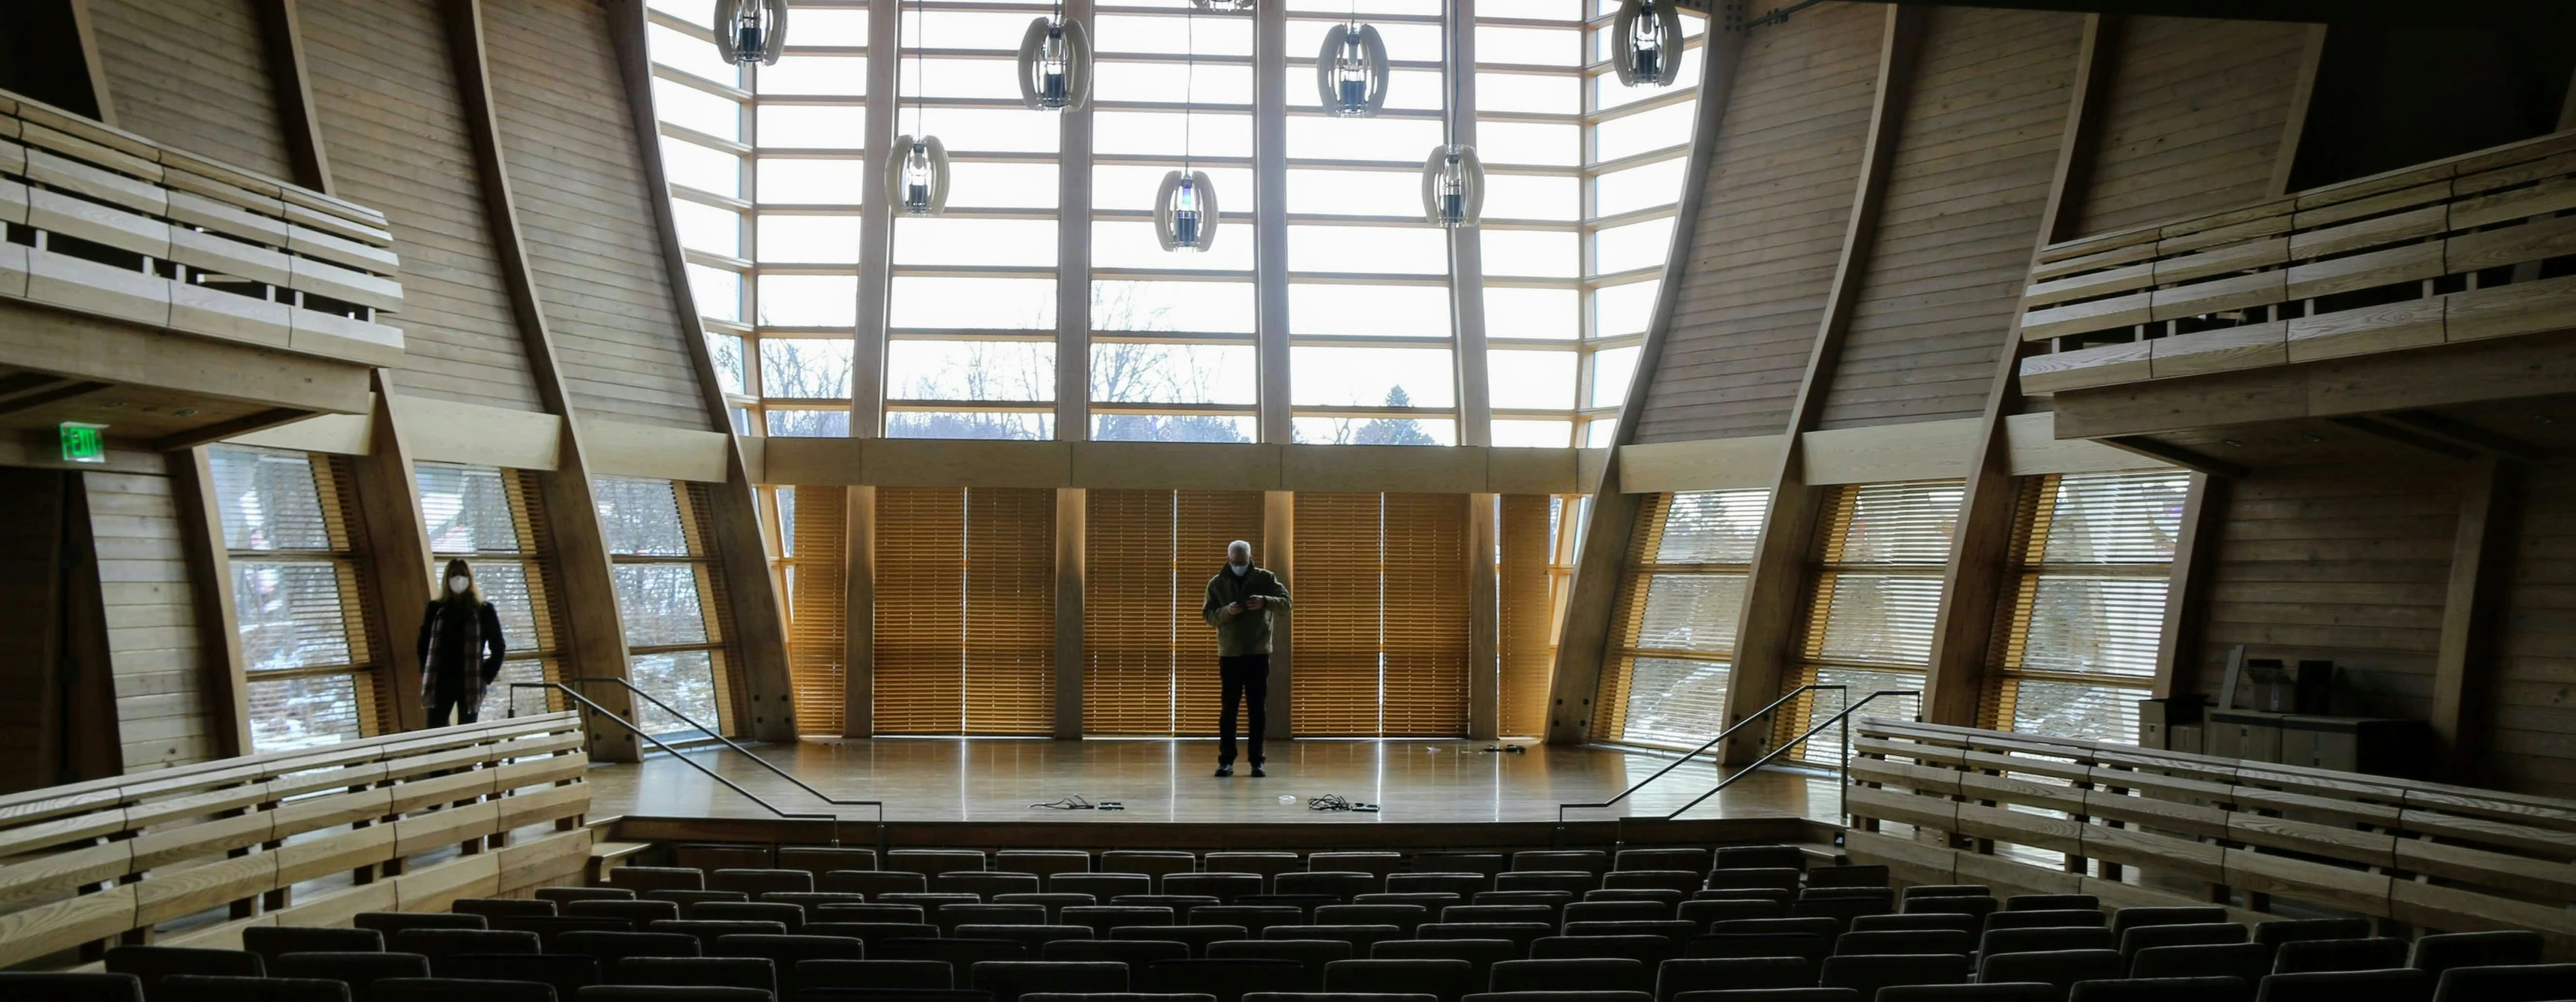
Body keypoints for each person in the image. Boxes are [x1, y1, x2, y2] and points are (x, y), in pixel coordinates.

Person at [1203, 539, 1290, 778]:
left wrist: (1265, 601)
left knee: (1257, 710)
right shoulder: (1217, 583)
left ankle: (1257, 761)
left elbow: (1286, 603)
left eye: (1243, 562)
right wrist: (1227, 611)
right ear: (1228, 559)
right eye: (1235, 562)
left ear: (1250, 559)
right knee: (1229, 709)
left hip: (1258, 652)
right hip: (1230, 654)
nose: (1239, 565)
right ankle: (1226, 761)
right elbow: (1209, 616)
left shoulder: (1266, 579)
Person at [416, 558, 507, 728]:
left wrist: (486, 676)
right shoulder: (436, 609)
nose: (459, 579)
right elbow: (423, 643)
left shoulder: (484, 610)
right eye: (454, 574)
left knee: (466, 734)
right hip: (440, 680)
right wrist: (425, 672)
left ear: (470, 578)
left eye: (463, 574)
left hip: (470, 679)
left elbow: (498, 646)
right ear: (446, 578)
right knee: (434, 732)